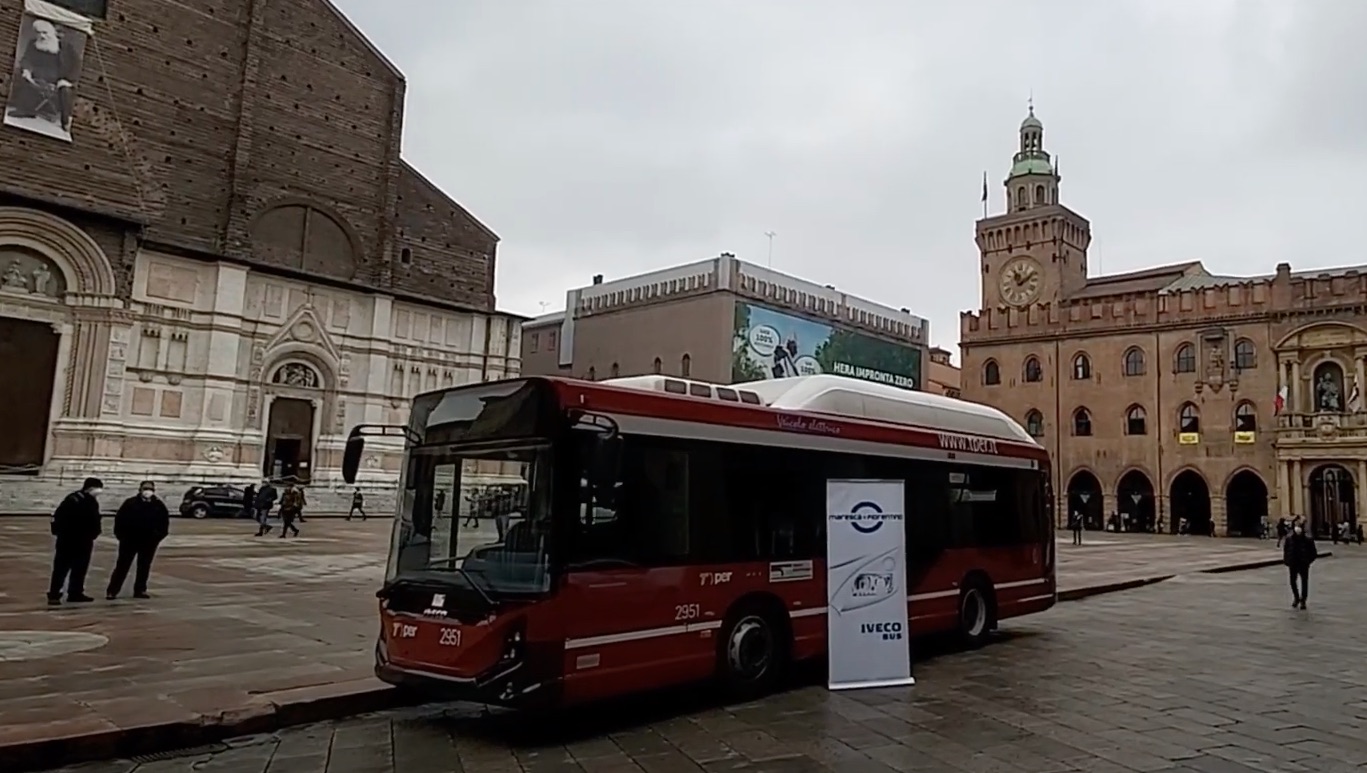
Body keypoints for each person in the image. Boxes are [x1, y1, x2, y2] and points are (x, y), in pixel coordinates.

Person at [5, 18, 80, 136]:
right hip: (37, 78)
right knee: (22, 76)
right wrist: (26, 70)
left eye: (45, 33)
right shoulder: (33, 44)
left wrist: (67, 79)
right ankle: (27, 110)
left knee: (66, 90)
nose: (42, 36)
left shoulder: (65, 47)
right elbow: (26, 59)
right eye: (39, 33)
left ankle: (66, 121)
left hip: (59, 80)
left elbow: (76, 65)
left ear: (52, 33)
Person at [106, 481, 170, 600]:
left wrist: (157, 537)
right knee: (122, 566)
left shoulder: (158, 505)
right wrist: (122, 536)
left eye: (150, 489)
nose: (147, 491)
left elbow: (164, 524)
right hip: (129, 540)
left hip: (149, 542)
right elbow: (119, 520)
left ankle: (140, 589)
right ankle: (112, 591)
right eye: (145, 488)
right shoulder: (130, 503)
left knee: (144, 567)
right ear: (140, 489)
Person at [47, 477, 103, 606]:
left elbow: (95, 519)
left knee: (80, 568)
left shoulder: (92, 501)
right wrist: (61, 533)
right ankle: (54, 594)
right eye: (97, 488)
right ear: (89, 488)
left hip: (85, 540)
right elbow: (60, 517)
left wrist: (94, 533)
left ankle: (75, 592)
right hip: (68, 540)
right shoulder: (73, 500)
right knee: (61, 568)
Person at [1283, 521, 1317, 610]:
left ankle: (1303, 600)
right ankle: (1296, 597)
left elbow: (1313, 553)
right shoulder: (1289, 539)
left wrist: (1308, 561)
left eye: (1299, 526)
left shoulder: (1308, 540)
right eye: (1296, 526)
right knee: (1292, 581)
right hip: (1293, 563)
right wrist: (1287, 561)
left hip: (1303, 563)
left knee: (1304, 582)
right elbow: (1286, 551)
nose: (1297, 529)